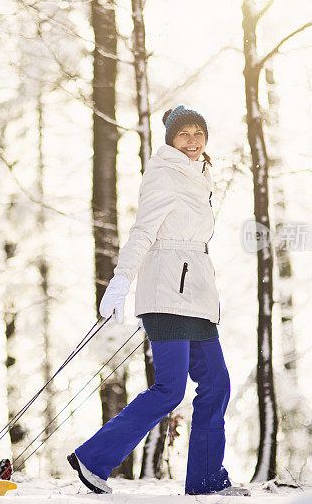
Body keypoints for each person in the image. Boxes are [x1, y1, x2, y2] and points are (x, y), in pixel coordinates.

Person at [68, 105, 246, 496]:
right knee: (170, 388)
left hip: (196, 295)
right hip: (168, 292)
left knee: (216, 383)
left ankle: (205, 479)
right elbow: (143, 231)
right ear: (170, 140)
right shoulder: (165, 173)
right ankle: (94, 458)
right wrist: (120, 282)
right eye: (184, 133)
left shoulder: (201, 176)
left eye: (199, 132)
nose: (193, 139)